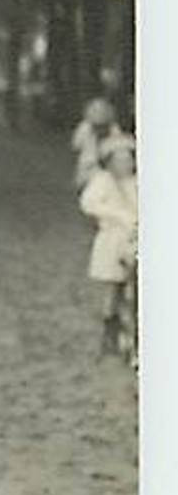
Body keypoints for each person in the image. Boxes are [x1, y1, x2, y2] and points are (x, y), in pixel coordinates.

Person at [79, 133, 137, 360]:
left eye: (129, 160)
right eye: (120, 160)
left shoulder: (135, 182)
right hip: (112, 240)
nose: (126, 165)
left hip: (134, 239)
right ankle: (109, 333)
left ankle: (132, 334)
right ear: (109, 162)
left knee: (134, 289)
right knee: (113, 288)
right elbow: (88, 204)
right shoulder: (102, 181)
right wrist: (117, 214)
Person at [70, 97, 128, 192]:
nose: (100, 129)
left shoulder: (115, 130)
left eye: (103, 125)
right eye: (96, 125)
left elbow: (119, 151)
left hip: (108, 170)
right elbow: (76, 147)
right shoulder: (84, 128)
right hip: (87, 167)